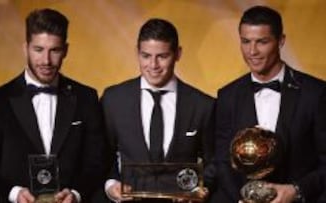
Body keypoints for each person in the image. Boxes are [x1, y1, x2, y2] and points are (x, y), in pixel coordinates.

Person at [0, 8, 107, 203]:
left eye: (55, 50)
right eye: (38, 50)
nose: (46, 61)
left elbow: (97, 162)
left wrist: (76, 193)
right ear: (25, 48)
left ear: (65, 50)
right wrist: (14, 193)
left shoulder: (86, 98)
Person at [212, 5, 326, 203]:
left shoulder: (315, 93)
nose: (252, 51)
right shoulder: (227, 96)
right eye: (246, 42)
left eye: (262, 42)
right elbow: (222, 162)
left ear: (280, 41)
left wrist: (296, 191)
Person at [101, 18, 216, 203]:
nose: (153, 65)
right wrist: (110, 184)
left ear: (178, 54)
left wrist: (201, 189)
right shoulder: (113, 99)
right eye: (146, 56)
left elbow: (215, 162)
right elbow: (101, 155)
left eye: (162, 56)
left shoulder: (202, 105)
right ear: (137, 53)